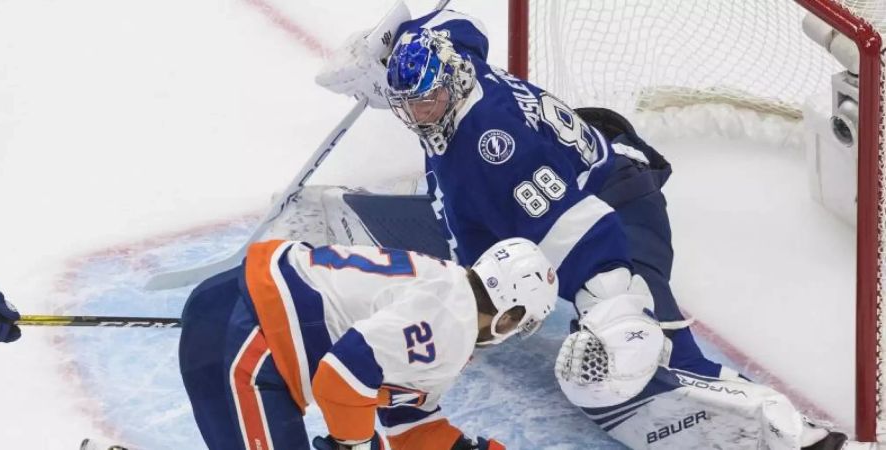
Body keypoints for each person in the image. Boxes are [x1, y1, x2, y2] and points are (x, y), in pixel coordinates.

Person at [315, 8, 862, 450]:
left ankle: (791, 437)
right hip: (580, 171)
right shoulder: (454, 59)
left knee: (651, 334)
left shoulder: (490, 144)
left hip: (616, 200)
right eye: (410, 103)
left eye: (429, 99)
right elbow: (460, 26)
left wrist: (613, 306)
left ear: (450, 82)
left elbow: (574, 226)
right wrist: (384, 46)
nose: (421, 113)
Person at [178, 237, 557, 450]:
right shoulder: (451, 322)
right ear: (512, 314)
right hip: (244, 335)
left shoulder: (449, 295)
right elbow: (342, 377)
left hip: (239, 318)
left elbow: (409, 423)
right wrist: (355, 446)